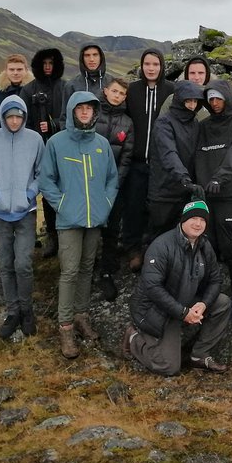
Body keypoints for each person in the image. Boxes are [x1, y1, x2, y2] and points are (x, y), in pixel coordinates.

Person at [39, 91, 119, 359]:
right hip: (69, 219)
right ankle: (65, 328)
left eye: (89, 109)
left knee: (87, 269)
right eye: (80, 109)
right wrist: (62, 205)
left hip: (94, 219)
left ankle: (82, 316)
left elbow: (111, 178)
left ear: (95, 113)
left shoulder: (101, 144)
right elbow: (46, 179)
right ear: (72, 111)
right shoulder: (57, 143)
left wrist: (105, 203)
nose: (85, 113)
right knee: (70, 271)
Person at [123, 199, 231, 375]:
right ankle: (133, 338)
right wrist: (183, 312)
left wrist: (203, 304)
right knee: (169, 367)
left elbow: (215, 279)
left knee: (223, 302)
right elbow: (153, 287)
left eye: (203, 220)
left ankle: (199, 355)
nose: (198, 223)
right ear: (183, 220)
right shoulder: (161, 246)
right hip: (157, 310)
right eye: (193, 218)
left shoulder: (204, 245)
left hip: (185, 303)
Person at [0, 95, 45, 341]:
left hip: (25, 212)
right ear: (4, 117)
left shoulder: (35, 139)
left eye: (19, 116)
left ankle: (27, 310)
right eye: (10, 116)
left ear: (24, 116)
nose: (15, 120)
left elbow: (42, 171)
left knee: (23, 263)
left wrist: (30, 193)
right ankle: (13, 311)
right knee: (6, 263)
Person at [193, 80, 232, 323]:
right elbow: (195, 154)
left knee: (230, 245)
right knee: (208, 246)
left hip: (230, 191)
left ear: (228, 98)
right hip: (205, 194)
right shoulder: (203, 125)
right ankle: (207, 298)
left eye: (219, 98)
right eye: (211, 99)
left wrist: (220, 177)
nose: (215, 103)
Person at [122, 48, 175, 269]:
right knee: (133, 207)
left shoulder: (171, 90)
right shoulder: (132, 90)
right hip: (136, 161)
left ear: (161, 66)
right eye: (147, 64)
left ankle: (155, 251)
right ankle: (133, 249)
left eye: (155, 64)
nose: (151, 68)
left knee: (159, 210)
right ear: (142, 66)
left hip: (161, 164)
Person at [20, 47, 68, 256]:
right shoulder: (28, 90)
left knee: (64, 191)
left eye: (51, 63)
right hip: (37, 150)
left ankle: (65, 234)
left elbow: (71, 118)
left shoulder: (65, 87)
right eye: (44, 64)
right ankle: (52, 236)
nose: (48, 67)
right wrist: (35, 132)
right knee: (46, 195)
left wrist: (54, 125)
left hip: (62, 148)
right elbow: (22, 121)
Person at [148, 80, 204, 241]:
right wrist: (184, 179)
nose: (192, 105)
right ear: (179, 100)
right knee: (159, 238)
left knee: (182, 238)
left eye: (195, 101)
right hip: (163, 192)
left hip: (184, 192)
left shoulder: (194, 123)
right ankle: (152, 266)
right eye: (188, 100)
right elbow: (168, 154)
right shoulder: (164, 123)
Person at [94, 77, 134, 300]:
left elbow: (126, 157)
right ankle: (87, 269)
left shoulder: (127, 122)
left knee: (111, 231)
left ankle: (107, 272)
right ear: (106, 91)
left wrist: (114, 184)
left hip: (114, 187)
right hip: (89, 186)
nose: (117, 96)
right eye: (115, 91)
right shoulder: (92, 114)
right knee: (90, 230)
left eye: (122, 94)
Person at [0, 53, 32, 129]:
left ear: (26, 70)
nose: (15, 73)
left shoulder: (35, 92)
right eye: (11, 69)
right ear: (6, 71)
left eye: (19, 69)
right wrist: (4, 123)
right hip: (2, 138)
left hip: (31, 137)